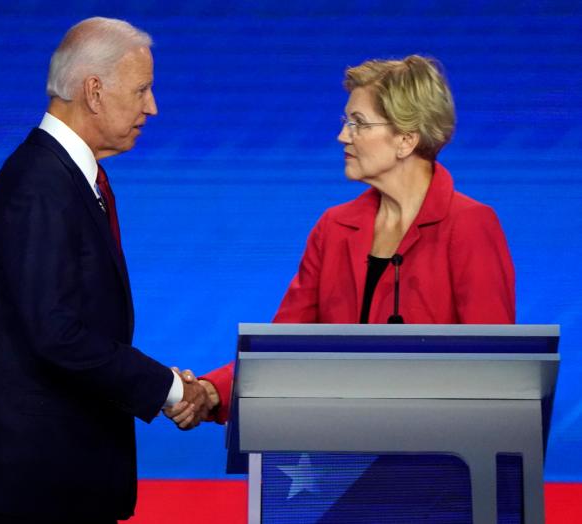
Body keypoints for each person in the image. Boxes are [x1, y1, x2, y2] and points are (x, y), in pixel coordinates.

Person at [0, 17, 209, 524]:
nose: (152, 107)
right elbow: (57, 334)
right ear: (94, 92)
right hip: (35, 490)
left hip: (63, 481)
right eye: (142, 90)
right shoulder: (39, 187)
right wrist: (170, 389)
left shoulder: (65, 179)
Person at [165, 54, 515, 427]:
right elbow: (285, 344)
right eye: (346, 122)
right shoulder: (333, 228)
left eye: (358, 123)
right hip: (343, 451)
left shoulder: (469, 226)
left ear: (406, 140)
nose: (342, 136)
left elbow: (494, 368)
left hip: (442, 455)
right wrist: (211, 391)